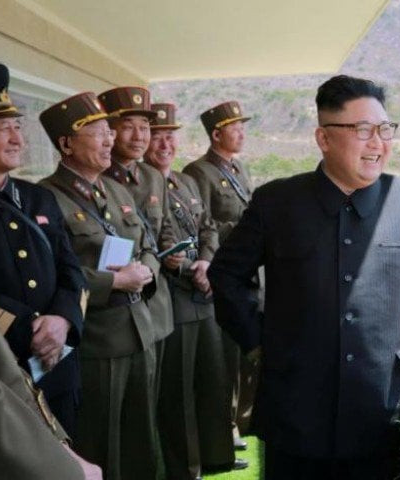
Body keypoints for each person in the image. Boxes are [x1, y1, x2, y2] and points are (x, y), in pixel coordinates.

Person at [207, 75, 400, 480]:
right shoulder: (277, 203)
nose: (377, 143)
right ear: (324, 138)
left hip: (385, 415)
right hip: (295, 414)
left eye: (385, 129)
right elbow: (226, 276)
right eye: (363, 130)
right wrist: (260, 341)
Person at [38, 92, 161, 480]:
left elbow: (148, 245)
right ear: (66, 144)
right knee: (101, 440)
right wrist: (115, 281)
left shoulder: (117, 189)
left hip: (141, 331)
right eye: (97, 133)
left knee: (142, 438)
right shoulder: (45, 197)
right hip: (97, 340)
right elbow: (53, 274)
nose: (110, 140)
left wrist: (147, 271)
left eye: (110, 131)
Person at [0, 61, 87, 436]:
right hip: (0, 371)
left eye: (18, 127)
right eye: (4, 128)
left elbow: (71, 269)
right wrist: (27, 328)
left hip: (57, 365)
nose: (18, 139)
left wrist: (63, 320)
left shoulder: (38, 198)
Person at [144, 102, 231, 479]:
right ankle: (186, 468)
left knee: (212, 379)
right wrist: (185, 267)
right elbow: (154, 240)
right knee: (178, 393)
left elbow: (208, 226)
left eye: (170, 137)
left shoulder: (185, 181)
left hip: (203, 290)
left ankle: (216, 456)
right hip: (174, 297)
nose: (165, 145)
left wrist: (207, 262)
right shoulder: (143, 184)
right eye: (157, 137)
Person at [183, 101, 257, 458]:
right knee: (221, 357)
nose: (242, 133)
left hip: (245, 272)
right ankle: (223, 428)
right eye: (235, 127)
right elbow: (203, 224)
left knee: (242, 353)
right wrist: (246, 230)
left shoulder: (238, 167)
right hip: (219, 272)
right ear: (216, 134)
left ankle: (238, 420)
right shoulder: (198, 172)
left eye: (243, 126)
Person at [98, 86, 176, 401]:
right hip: (116, 309)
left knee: (155, 394)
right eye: (128, 126)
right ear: (109, 132)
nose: (138, 136)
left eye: (144, 127)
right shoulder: (98, 177)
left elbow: (165, 226)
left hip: (157, 300)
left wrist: (167, 258)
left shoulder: (152, 176)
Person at [0, 302, 102, 480]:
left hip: (54, 371)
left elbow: (5, 371)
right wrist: (67, 471)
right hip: (20, 347)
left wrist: (65, 316)